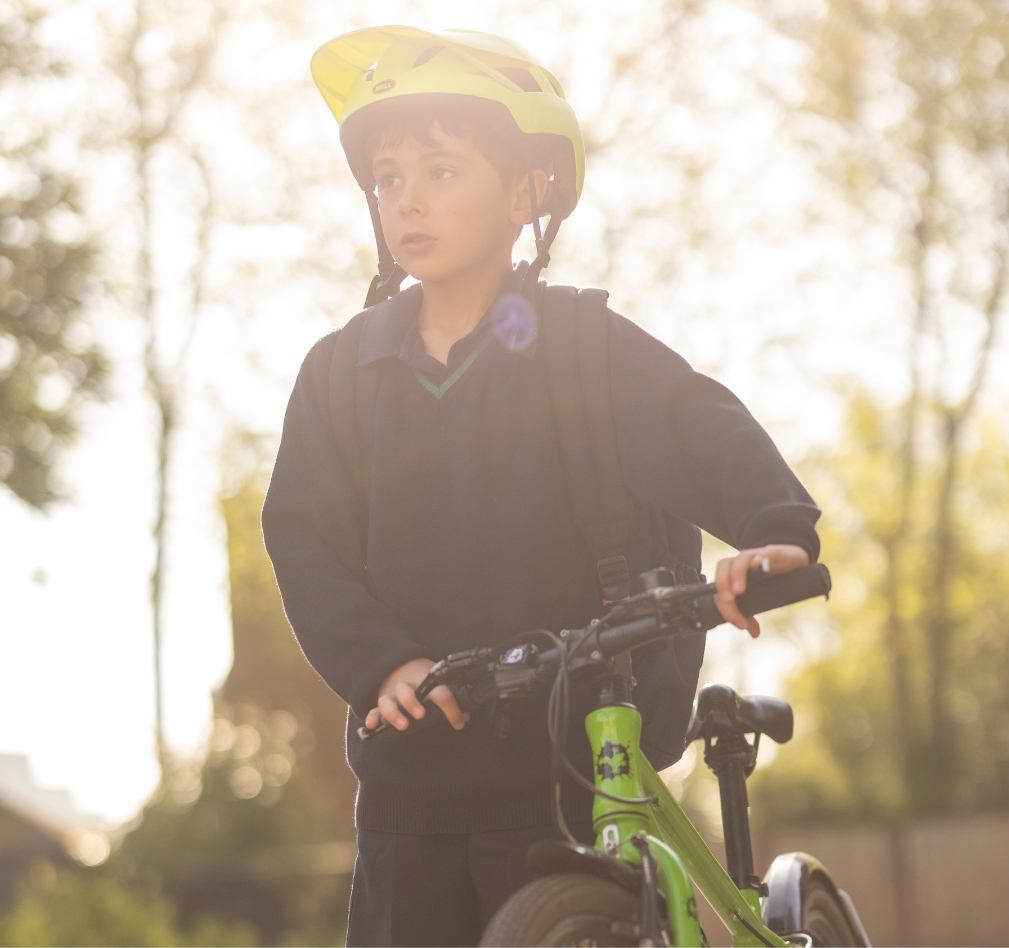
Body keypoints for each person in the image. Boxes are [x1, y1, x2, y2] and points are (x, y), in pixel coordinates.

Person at [263, 25, 821, 948]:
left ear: (527, 191)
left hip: (570, 765)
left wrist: (775, 529)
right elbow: (302, 538)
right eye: (389, 178)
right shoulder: (340, 374)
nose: (409, 199)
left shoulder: (581, 346)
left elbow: (701, 425)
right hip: (411, 785)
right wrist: (381, 662)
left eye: (441, 171)